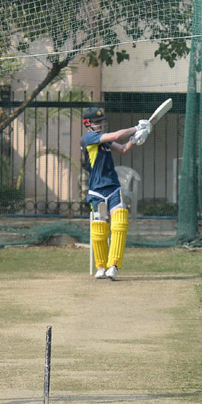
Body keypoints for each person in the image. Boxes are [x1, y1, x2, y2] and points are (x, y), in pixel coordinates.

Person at [80, 106, 149, 281]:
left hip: (113, 188)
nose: (100, 124)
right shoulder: (89, 138)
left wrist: (135, 139)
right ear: (87, 124)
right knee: (100, 228)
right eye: (96, 122)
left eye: (101, 121)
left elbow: (124, 148)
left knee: (119, 222)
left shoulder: (104, 142)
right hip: (97, 191)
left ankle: (113, 266)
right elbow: (117, 135)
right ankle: (101, 266)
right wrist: (136, 127)